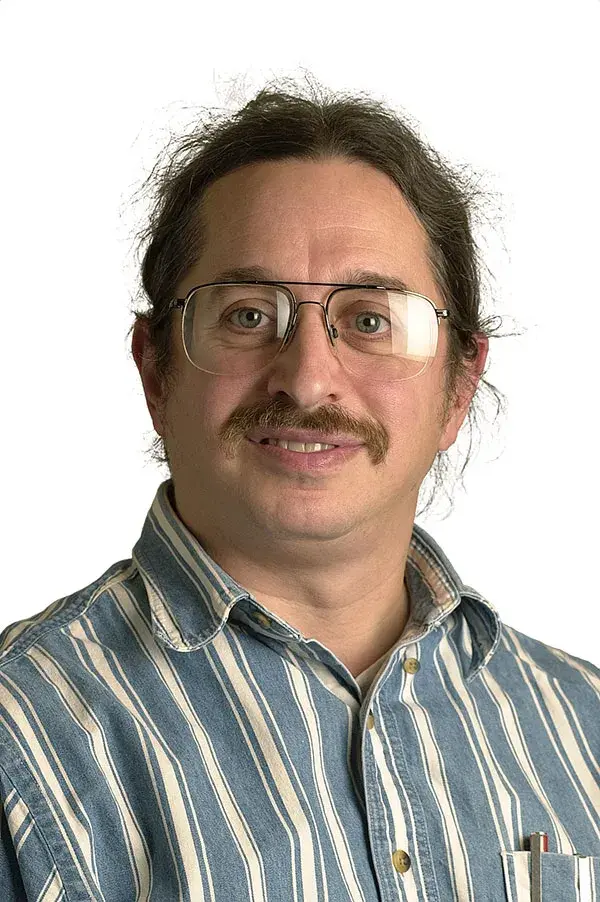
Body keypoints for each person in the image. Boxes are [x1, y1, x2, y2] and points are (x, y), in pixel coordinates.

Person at [1, 78, 598, 902]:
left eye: (370, 319)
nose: (309, 378)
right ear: (156, 371)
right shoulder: (22, 735)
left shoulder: (584, 727)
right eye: (248, 315)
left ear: (459, 387)